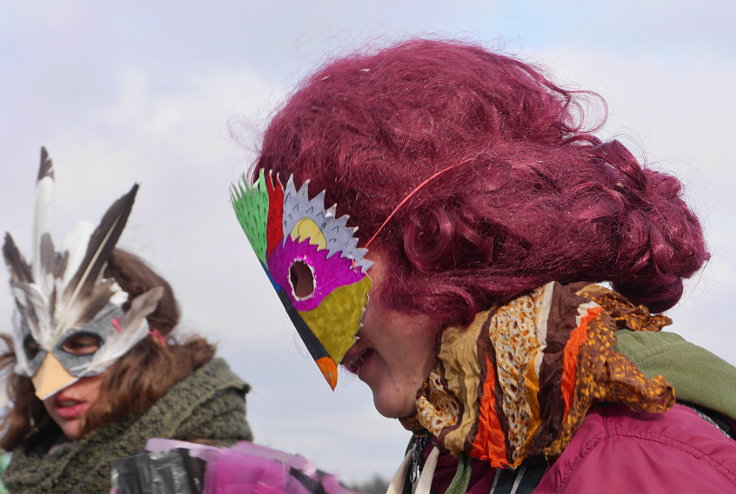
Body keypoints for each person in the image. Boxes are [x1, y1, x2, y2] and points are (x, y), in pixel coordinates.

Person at [231, 39, 736, 493]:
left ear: (434, 238)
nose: (321, 341)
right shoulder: (459, 451)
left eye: (311, 278)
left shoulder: (629, 458)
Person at [1, 149, 253, 494]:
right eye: (34, 350)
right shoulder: (26, 470)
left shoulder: (212, 464)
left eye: (79, 344)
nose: (51, 383)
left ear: (147, 343)